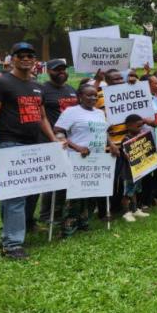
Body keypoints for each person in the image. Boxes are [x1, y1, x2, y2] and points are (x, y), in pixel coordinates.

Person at [0, 42, 62, 259]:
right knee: (16, 195)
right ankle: (12, 245)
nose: (26, 59)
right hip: (8, 144)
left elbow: (41, 117)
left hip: (33, 145)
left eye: (30, 55)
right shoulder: (3, 83)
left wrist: (53, 140)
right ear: (12, 59)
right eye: (20, 55)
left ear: (34, 60)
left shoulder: (37, 86)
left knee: (18, 193)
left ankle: (9, 235)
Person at [54, 84, 120, 235]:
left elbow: (104, 132)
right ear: (79, 97)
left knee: (92, 191)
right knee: (75, 194)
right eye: (89, 95)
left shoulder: (99, 113)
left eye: (95, 95)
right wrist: (76, 147)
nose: (93, 98)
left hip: (97, 158)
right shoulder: (71, 112)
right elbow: (58, 132)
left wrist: (112, 145)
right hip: (76, 158)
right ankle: (68, 226)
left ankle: (84, 222)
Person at [35, 58, 79, 229]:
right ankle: (46, 215)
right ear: (48, 71)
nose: (61, 72)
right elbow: (40, 116)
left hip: (70, 141)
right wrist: (54, 136)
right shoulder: (42, 89)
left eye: (63, 69)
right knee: (52, 179)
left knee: (65, 177)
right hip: (50, 140)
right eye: (56, 69)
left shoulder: (71, 90)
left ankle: (58, 212)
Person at [118, 114, 152, 222]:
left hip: (139, 170)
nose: (140, 129)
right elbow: (125, 155)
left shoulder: (141, 137)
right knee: (127, 193)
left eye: (141, 127)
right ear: (128, 126)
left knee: (135, 191)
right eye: (137, 126)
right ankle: (126, 212)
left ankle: (135, 209)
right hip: (128, 172)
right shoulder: (125, 139)